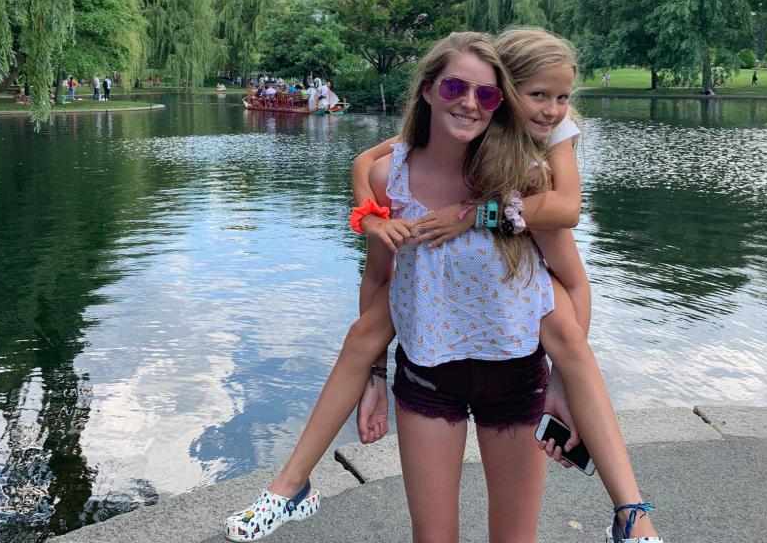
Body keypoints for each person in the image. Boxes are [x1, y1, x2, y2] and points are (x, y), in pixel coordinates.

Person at [224, 29, 661, 543]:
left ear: (500, 104)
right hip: (430, 370)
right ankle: (290, 486)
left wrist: (560, 385)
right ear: (429, 88)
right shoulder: (394, 175)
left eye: (486, 94)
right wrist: (375, 380)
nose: (471, 103)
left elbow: (571, 265)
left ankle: (631, 514)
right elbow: (375, 272)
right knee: (364, 338)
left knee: (517, 531)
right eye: (455, 88)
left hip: (515, 374)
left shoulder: (521, 179)